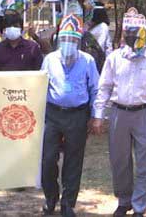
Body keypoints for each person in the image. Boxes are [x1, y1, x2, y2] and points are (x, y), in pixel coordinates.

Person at [91, 7, 146, 217]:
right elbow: (105, 86)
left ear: (144, 34)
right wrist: (99, 114)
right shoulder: (115, 57)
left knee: (144, 161)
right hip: (119, 113)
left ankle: (139, 207)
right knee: (120, 160)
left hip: (145, 113)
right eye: (128, 33)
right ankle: (123, 200)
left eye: (135, 34)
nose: (131, 37)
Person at [40, 14, 99, 217]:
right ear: (58, 40)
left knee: (74, 160)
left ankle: (68, 203)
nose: (68, 44)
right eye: (65, 39)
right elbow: (41, 87)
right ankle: (50, 197)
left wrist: (95, 116)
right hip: (52, 114)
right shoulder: (49, 60)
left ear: (79, 42)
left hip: (77, 115)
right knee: (47, 159)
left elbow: (95, 90)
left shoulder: (88, 61)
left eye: (73, 40)